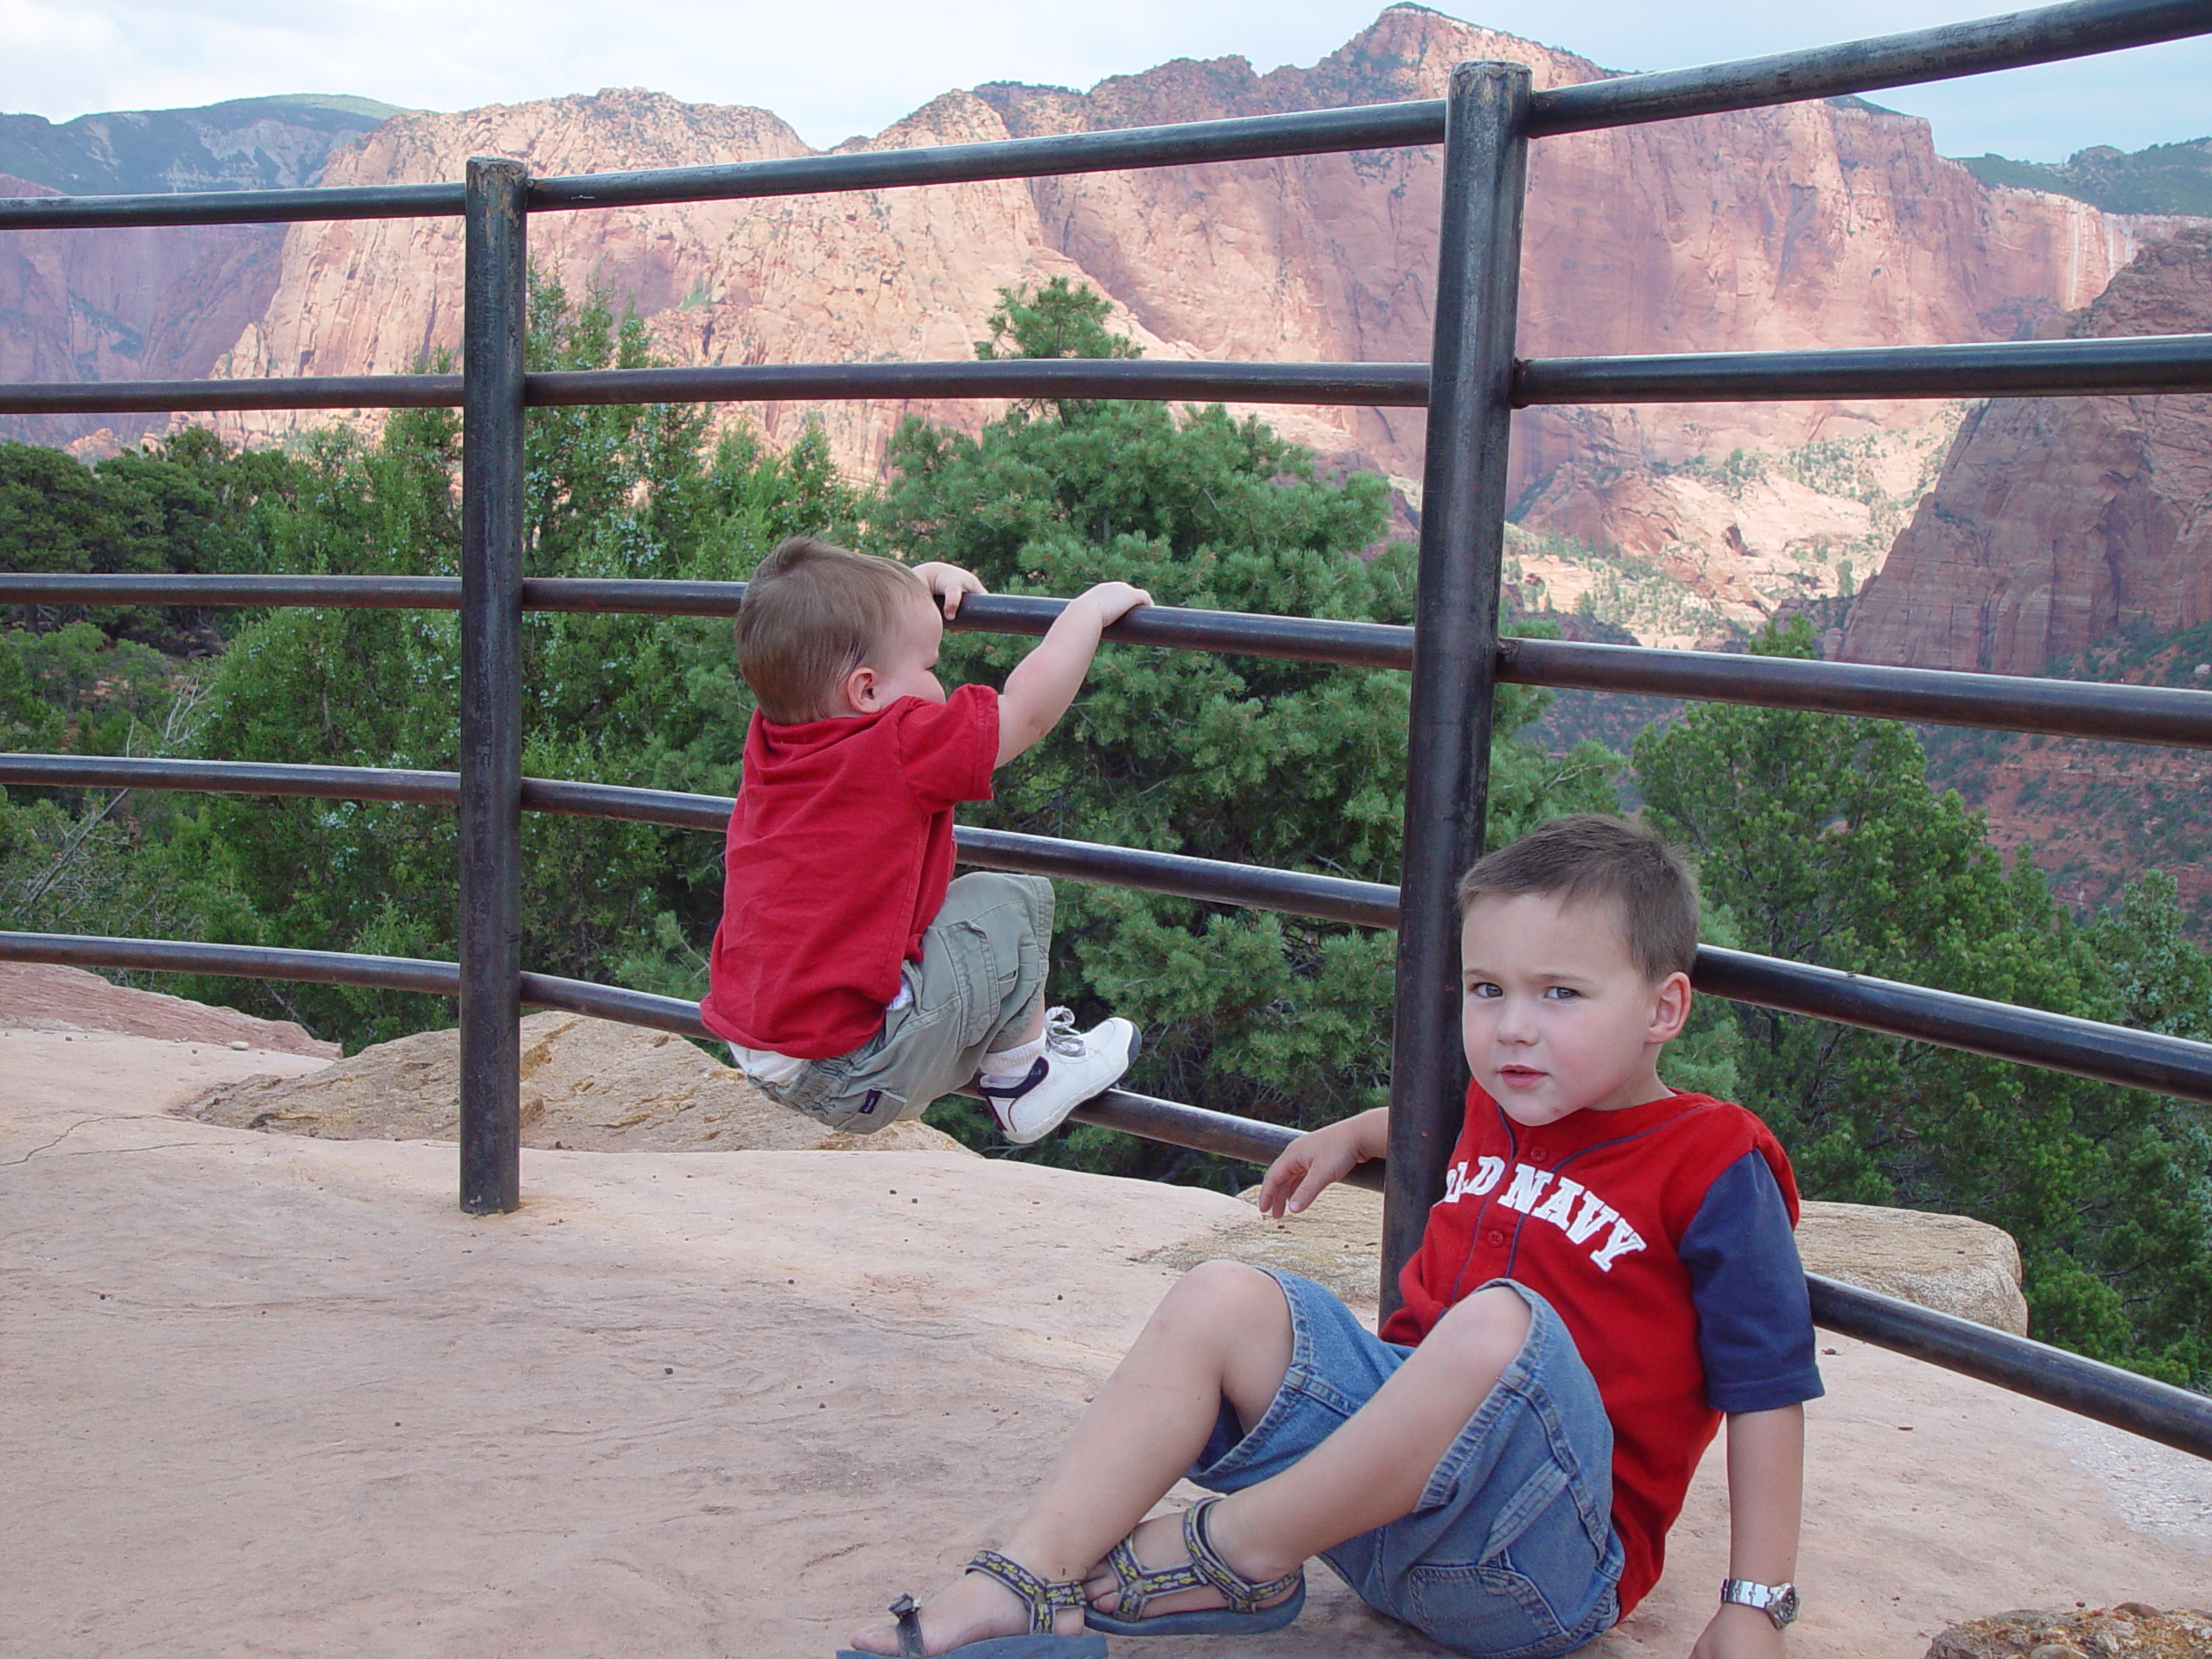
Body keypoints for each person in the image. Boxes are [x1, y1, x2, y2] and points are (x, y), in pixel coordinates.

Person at [839, 813, 1821, 1659]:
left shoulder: (1713, 1158)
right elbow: (1430, 1122)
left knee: (1498, 1321)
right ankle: (1028, 1580)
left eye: (1559, 993)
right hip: (1371, 1523)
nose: (1513, 1028)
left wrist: (1755, 1609)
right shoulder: (1495, 1105)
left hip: (1539, 1565)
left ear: (1663, 1008)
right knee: (1223, 1294)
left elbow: (1767, 1389)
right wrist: (1353, 1135)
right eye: (1487, 990)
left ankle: (1242, 1552)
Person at [701, 535, 1153, 1146]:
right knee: (1008, 903)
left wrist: (916, 586)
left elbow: (826, 636)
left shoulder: (778, 731)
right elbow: (1027, 710)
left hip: (763, 1052)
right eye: (930, 667)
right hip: (852, 1071)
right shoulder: (898, 742)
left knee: (948, 917)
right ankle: (1025, 1077)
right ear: (866, 691)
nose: (939, 684)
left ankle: (1015, 1062)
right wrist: (1089, 611)